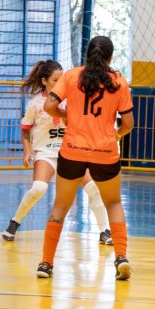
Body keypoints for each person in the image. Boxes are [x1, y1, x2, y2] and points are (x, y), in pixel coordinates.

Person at [36, 36, 134, 280]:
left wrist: (66, 115)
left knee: (60, 206)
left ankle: (46, 264)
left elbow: (48, 106)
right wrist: (117, 134)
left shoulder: (70, 76)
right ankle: (121, 257)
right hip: (105, 152)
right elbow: (129, 123)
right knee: (113, 203)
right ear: (110, 57)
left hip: (72, 151)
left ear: (87, 55)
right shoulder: (119, 81)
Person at [2, 59, 112, 246]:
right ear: (44, 81)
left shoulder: (72, 100)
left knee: (93, 188)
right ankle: (14, 222)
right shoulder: (35, 104)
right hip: (45, 152)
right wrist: (27, 152)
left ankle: (105, 231)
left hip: (71, 151)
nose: (60, 84)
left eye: (62, 80)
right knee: (39, 188)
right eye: (55, 80)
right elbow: (25, 130)